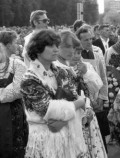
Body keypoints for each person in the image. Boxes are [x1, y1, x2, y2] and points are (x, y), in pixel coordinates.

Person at [21, 29, 88, 158]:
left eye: (57, 45)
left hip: (68, 135)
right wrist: (78, 104)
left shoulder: (61, 71)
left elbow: (76, 95)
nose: (56, 49)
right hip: (44, 139)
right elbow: (47, 110)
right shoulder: (29, 78)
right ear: (37, 48)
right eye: (50, 46)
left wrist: (80, 103)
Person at [55, 30, 108, 157]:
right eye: (70, 49)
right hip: (69, 117)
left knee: (90, 147)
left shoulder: (86, 66)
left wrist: (86, 73)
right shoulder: (55, 67)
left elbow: (95, 89)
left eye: (78, 51)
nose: (75, 55)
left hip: (87, 114)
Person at [76, 28, 110, 153]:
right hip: (84, 100)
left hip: (98, 98)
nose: (90, 42)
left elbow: (103, 76)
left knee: (100, 132)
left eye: (91, 39)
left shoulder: (97, 52)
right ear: (78, 40)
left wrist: (102, 96)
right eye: (86, 40)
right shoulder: (75, 57)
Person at [0, 31, 28, 158]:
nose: (17, 45)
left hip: (13, 113)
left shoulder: (17, 64)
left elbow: (18, 90)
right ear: (8, 45)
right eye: (15, 42)